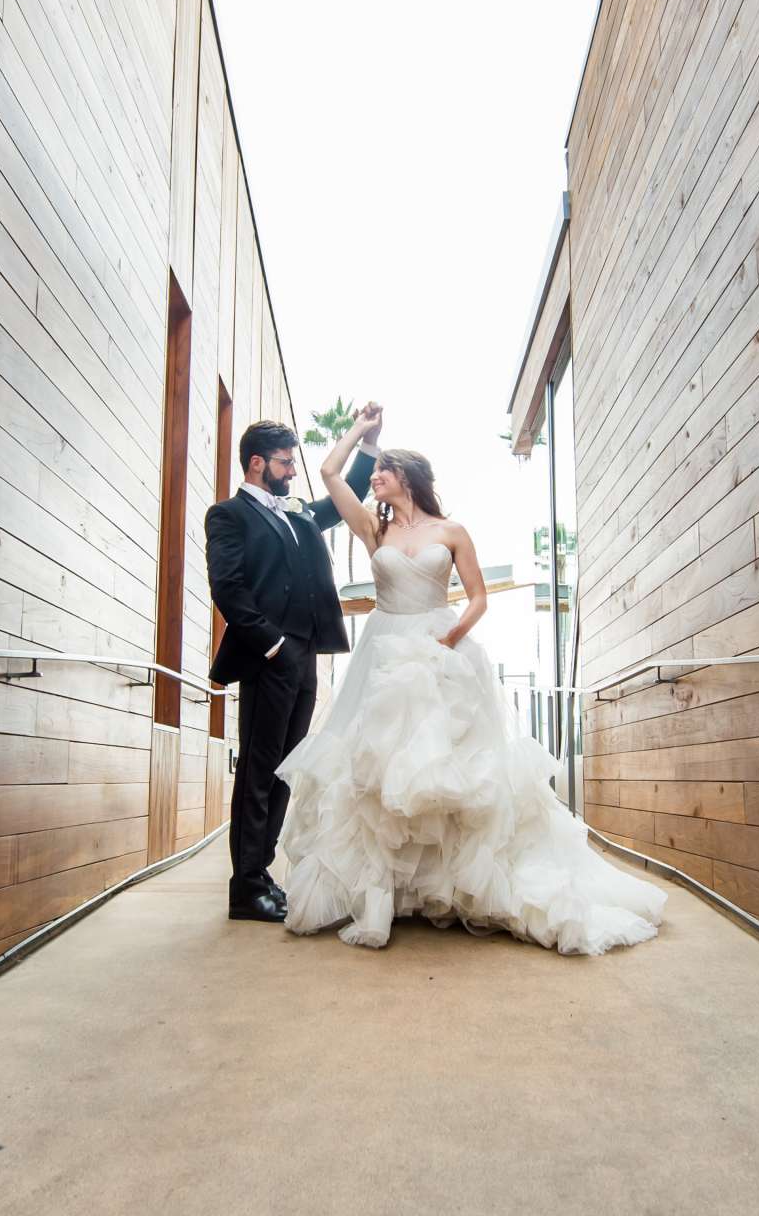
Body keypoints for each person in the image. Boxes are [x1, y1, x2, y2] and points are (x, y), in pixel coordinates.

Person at [275, 402, 666, 953]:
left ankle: (453, 887)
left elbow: (479, 598)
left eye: (383, 470)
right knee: (378, 773)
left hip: (441, 649)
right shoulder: (373, 530)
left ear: (406, 476)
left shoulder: (453, 530)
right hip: (385, 653)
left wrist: (451, 640)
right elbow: (331, 475)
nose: (376, 479)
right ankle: (386, 893)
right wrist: (363, 434)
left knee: (448, 768)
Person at [204, 417, 379, 923]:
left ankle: (263, 873)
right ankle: (245, 886)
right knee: (258, 772)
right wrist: (273, 645)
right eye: (284, 463)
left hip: (304, 658)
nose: (291, 473)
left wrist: (368, 442)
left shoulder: (298, 513)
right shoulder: (229, 515)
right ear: (257, 463)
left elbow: (347, 495)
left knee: (284, 771)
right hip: (270, 656)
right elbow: (229, 588)